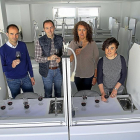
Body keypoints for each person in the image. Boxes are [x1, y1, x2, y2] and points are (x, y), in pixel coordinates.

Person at [0, 24, 35, 98]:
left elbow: (28, 60)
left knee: (31, 98)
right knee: (17, 101)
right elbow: (2, 68)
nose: (14, 36)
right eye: (11, 34)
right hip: (12, 80)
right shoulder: (2, 50)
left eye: (16, 34)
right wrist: (11, 66)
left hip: (25, 77)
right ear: (7, 34)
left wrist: (31, 76)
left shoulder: (23, 45)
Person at [35, 20, 63, 98]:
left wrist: (61, 58)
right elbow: (37, 58)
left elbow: (65, 54)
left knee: (58, 92)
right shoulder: (40, 41)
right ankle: (49, 109)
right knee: (48, 93)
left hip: (59, 70)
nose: (49, 30)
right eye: (47, 28)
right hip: (47, 71)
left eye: (51, 28)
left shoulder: (60, 39)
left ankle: (59, 109)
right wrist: (49, 58)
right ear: (44, 29)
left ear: (54, 28)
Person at [68, 21, 99, 91]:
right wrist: (74, 53)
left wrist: (95, 77)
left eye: (84, 30)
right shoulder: (73, 43)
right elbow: (69, 60)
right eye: (79, 30)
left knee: (87, 93)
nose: (81, 32)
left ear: (87, 31)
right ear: (77, 31)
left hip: (89, 74)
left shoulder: (92, 44)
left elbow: (97, 62)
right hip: (76, 74)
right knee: (79, 93)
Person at [97, 37, 127, 102]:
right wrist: (102, 93)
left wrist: (115, 89)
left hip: (118, 89)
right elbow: (99, 78)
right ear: (104, 49)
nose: (109, 51)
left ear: (116, 48)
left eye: (112, 48)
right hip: (105, 90)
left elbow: (123, 75)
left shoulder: (121, 59)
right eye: (107, 48)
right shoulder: (101, 61)